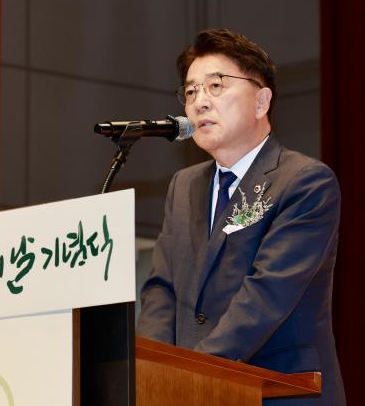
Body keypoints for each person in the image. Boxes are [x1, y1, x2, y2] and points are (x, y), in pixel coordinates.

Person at [136, 29, 346, 405]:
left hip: (278, 392)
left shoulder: (304, 182)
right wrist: (151, 372)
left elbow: (266, 296)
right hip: (186, 389)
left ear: (261, 101)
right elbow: (161, 289)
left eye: (215, 86)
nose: (199, 102)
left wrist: (186, 374)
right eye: (190, 91)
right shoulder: (184, 186)